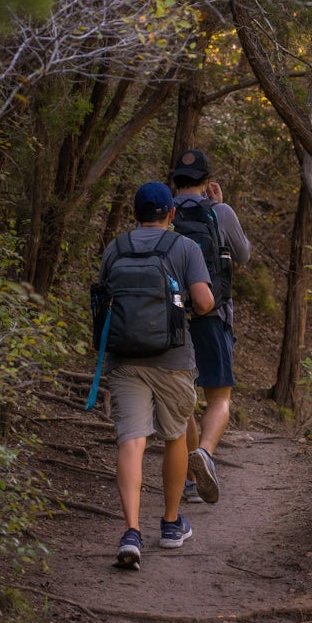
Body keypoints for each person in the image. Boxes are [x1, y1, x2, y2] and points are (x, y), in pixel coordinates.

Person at [98, 181, 214, 569]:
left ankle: (130, 531)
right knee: (175, 437)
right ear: (171, 213)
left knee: (131, 442)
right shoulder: (184, 247)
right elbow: (204, 301)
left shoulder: (116, 247)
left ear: (134, 214)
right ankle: (169, 523)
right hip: (172, 358)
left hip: (124, 357)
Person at [171, 148, 252, 506]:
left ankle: (189, 481)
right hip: (213, 316)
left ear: (175, 181)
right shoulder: (219, 211)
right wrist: (221, 208)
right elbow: (244, 254)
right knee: (218, 396)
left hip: (172, 320)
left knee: (185, 400)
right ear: (207, 181)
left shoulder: (165, 212)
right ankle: (204, 453)